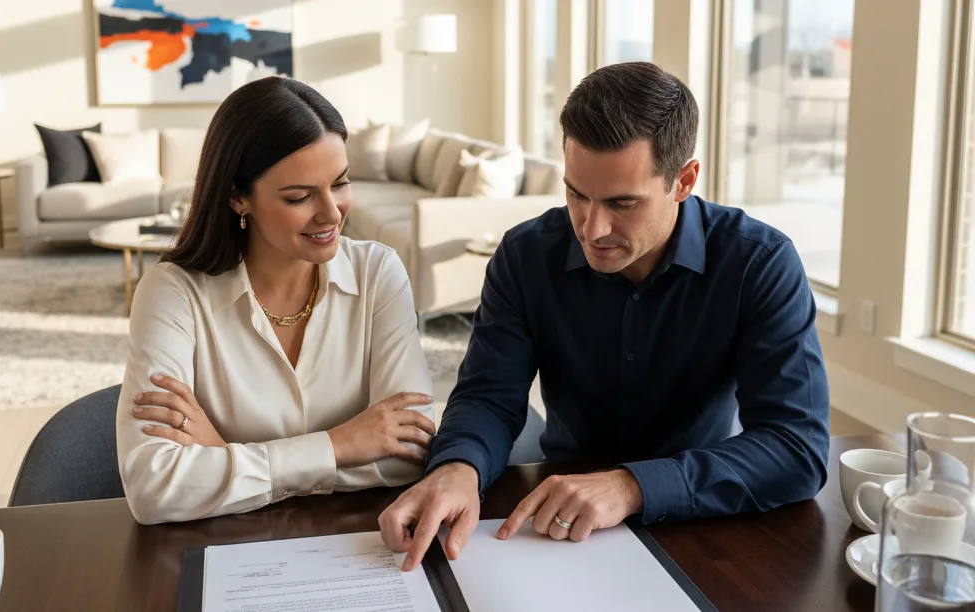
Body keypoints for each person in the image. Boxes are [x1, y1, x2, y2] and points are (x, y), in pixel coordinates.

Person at [378, 62, 830, 570]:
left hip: (702, 517)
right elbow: (489, 395)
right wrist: (457, 466)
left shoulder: (759, 263)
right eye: (576, 194)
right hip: (555, 513)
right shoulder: (526, 255)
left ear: (683, 181)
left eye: (623, 202)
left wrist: (633, 486)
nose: (592, 228)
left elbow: (797, 448)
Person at [116, 76, 436, 525]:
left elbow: (412, 455)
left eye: (340, 184)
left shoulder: (378, 274)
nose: (332, 213)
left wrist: (222, 457)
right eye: (300, 196)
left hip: (362, 545)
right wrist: (340, 446)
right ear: (237, 197)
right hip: (227, 553)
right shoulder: (172, 294)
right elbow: (153, 487)